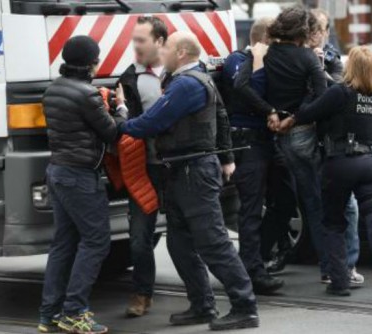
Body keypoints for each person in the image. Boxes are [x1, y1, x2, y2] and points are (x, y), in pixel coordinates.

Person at [115, 31, 259, 331]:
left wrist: (120, 117)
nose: (160, 51)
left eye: (165, 47)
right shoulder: (187, 80)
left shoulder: (187, 84)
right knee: (179, 244)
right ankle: (202, 305)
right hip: (182, 171)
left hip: (194, 171)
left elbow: (152, 121)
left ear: (180, 52)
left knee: (213, 242)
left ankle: (244, 306)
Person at [279, 46, 372, 301]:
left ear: (352, 68)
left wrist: (289, 117)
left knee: (334, 222)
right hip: (370, 164)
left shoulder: (341, 92)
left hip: (340, 163)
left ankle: (339, 282)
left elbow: (309, 112)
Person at [38, 36, 123, 334]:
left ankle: (49, 315)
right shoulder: (86, 94)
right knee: (97, 241)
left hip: (58, 172)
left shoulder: (53, 90)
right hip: (79, 176)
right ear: (91, 63)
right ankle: (74, 312)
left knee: (63, 243)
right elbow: (112, 133)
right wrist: (120, 107)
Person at [221, 18, 288, 293]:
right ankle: (252, 272)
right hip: (246, 142)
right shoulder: (236, 61)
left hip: (268, 140)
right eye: (276, 43)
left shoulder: (270, 62)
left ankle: (254, 258)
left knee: (285, 200)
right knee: (250, 209)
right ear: (264, 42)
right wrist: (259, 61)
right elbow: (250, 90)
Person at [262, 6, 329, 281]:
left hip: (280, 137)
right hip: (303, 133)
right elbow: (322, 97)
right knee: (317, 203)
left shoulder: (269, 55)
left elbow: (258, 87)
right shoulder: (308, 58)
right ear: (304, 30)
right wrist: (297, 117)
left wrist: (274, 114)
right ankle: (330, 266)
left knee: (300, 197)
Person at [309, 8, 364, 285]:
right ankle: (330, 267)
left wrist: (322, 72)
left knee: (348, 207)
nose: (316, 35)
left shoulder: (332, 58)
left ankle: (347, 266)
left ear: (327, 32)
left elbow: (343, 90)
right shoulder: (298, 56)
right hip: (310, 142)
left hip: (334, 143)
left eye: (320, 29)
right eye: (312, 29)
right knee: (318, 207)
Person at [116, 16, 167, 318]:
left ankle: (201, 297)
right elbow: (126, 126)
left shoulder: (180, 71)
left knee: (193, 234)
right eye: (133, 40)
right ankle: (141, 293)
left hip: (177, 166)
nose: (135, 46)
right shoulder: (128, 77)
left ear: (160, 42)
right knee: (139, 236)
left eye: (141, 40)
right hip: (144, 168)